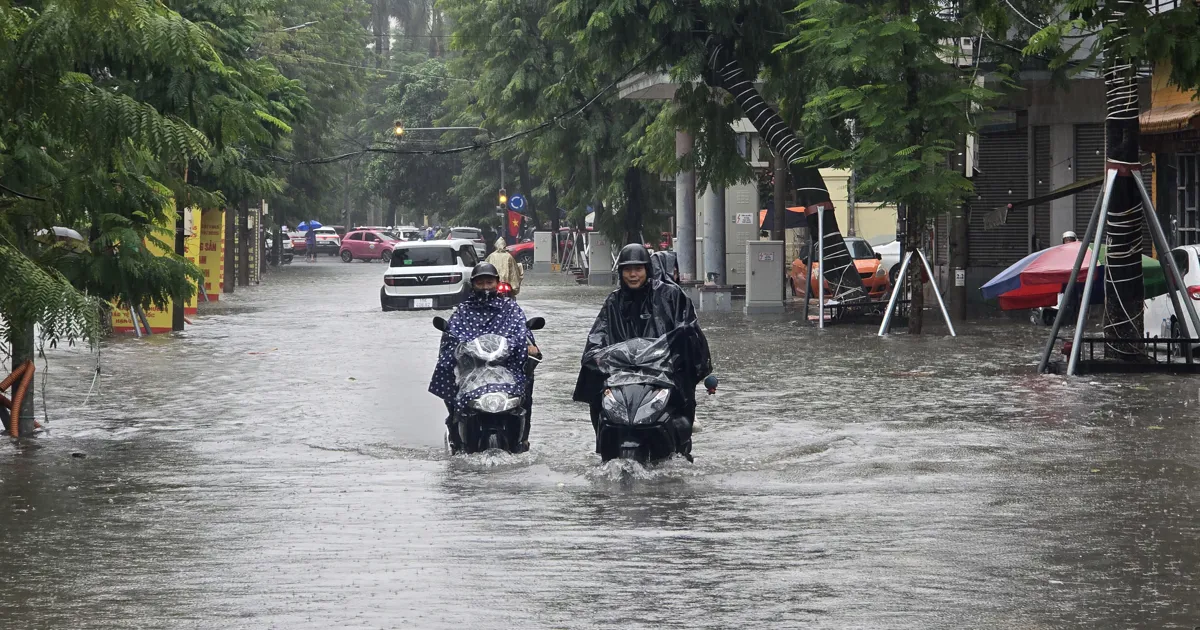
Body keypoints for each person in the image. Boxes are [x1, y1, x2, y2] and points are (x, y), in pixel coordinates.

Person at [572, 243, 712, 456]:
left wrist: (679, 343)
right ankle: (604, 446)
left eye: (638, 269)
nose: (633, 274)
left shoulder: (670, 295)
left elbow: (688, 330)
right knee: (598, 400)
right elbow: (598, 335)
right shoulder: (613, 301)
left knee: (683, 405)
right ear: (621, 272)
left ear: (647, 269)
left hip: (663, 373)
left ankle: (681, 446)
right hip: (623, 374)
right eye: (628, 270)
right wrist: (596, 356)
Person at [429, 262, 540, 452]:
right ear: (473, 285)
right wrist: (455, 348)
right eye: (481, 283)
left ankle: (522, 437)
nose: (486, 287)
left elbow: (522, 330)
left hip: (506, 365)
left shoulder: (510, 308)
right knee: (446, 369)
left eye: (489, 282)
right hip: (471, 367)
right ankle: (455, 428)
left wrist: (530, 345)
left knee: (526, 385)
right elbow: (451, 335)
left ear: (497, 283)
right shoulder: (463, 311)